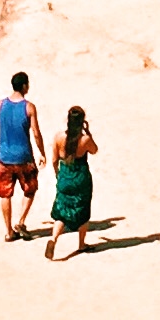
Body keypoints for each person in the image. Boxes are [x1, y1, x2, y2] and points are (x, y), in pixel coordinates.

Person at [0, 72, 45, 241]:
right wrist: (42, 152)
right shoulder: (29, 107)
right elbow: (36, 133)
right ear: (25, 86)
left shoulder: (1, 105)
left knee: (6, 194)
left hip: (5, 157)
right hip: (24, 157)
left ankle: (9, 231)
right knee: (30, 189)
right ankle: (21, 221)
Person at [45, 106, 98, 260]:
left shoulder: (58, 137)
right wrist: (88, 133)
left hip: (65, 176)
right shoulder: (84, 140)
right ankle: (81, 244)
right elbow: (94, 150)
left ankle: (53, 239)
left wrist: (58, 175)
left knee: (62, 211)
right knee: (82, 210)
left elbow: (54, 160)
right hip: (80, 177)